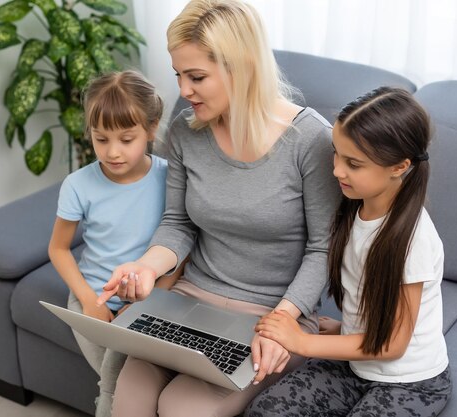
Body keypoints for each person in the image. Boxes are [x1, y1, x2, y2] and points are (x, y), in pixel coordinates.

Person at [96, 1, 340, 416]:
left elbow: (324, 248)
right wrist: (146, 268)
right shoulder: (184, 131)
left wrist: (283, 322)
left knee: (183, 407)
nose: (183, 91)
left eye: (197, 77)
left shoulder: (311, 140)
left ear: (242, 68)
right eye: (178, 75)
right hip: (189, 299)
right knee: (130, 396)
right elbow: (177, 224)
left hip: (270, 314)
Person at [245, 87, 452, 417]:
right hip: (355, 362)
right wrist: (346, 329)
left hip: (409, 381)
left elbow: (393, 344)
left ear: (399, 167)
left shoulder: (414, 241)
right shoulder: (353, 208)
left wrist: (303, 342)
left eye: (353, 164)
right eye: (336, 155)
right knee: (266, 410)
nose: (337, 171)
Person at [48, 70, 180, 417]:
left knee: (126, 384)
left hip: (153, 296)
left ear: (151, 130)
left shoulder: (169, 178)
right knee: (116, 381)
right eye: (101, 139)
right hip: (93, 295)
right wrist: (90, 302)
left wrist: (154, 299)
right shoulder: (78, 185)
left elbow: (181, 247)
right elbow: (58, 248)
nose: (113, 151)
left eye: (126, 138)